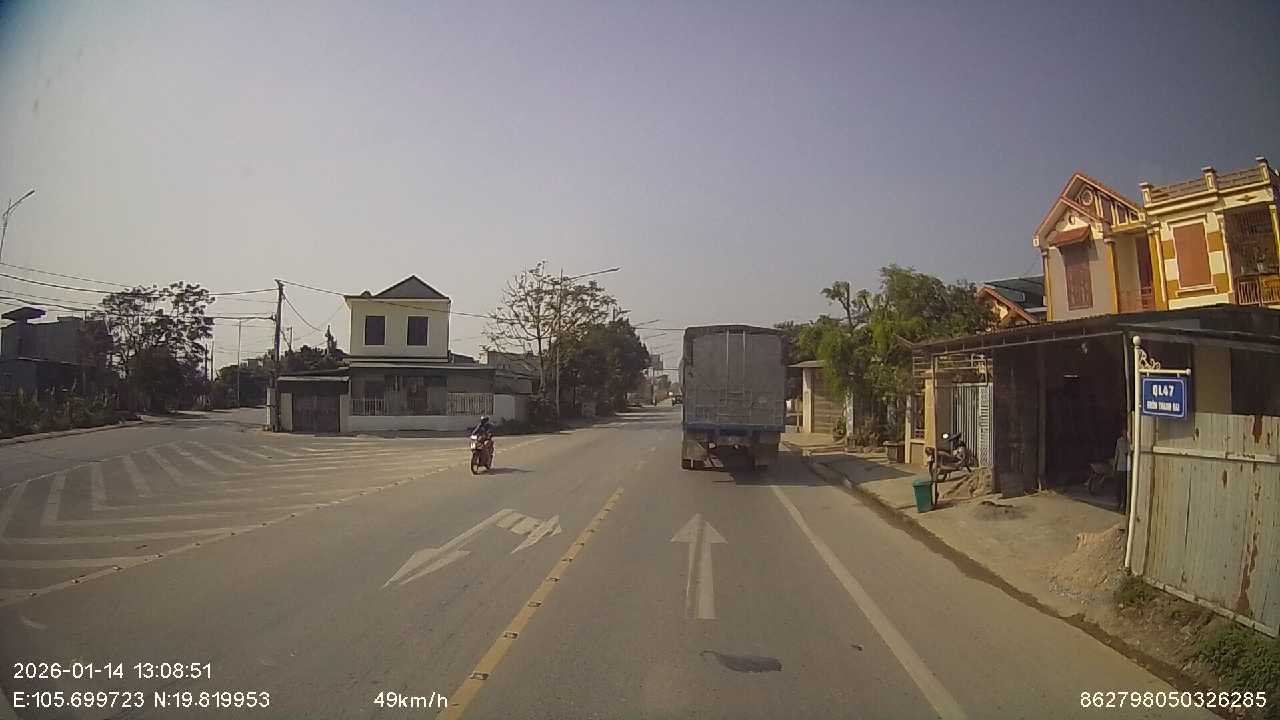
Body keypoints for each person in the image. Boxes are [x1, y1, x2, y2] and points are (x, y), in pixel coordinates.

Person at [1114, 422, 1131, 512]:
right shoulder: (1119, 441)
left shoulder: (1130, 441)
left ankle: (1124, 505)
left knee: (1125, 488)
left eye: (1126, 431)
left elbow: (1129, 452)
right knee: (1118, 487)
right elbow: (1117, 453)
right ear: (1122, 431)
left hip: (1127, 469)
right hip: (1119, 468)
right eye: (1124, 431)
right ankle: (1118, 502)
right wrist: (1114, 466)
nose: (1125, 433)